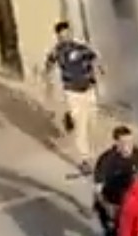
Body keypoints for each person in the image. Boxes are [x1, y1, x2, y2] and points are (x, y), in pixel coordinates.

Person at [44, 20, 104, 174]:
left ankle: (69, 118)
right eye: (62, 35)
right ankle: (84, 160)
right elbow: (49, 66)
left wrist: (99, 68)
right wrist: (48, 82)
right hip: (72, 92)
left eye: (67, 34)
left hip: (88, 89)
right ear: (58, 37)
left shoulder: (80, 47)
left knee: (93, 120)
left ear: (70, 33)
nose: (65, 37)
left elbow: (93, 57)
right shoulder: (57, 51)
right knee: (80, 125)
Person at [90, 125, 138, 236]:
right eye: (124, 143)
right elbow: (98, 190)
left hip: (130, 203)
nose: (128, 146)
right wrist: (106, 208)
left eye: (130, 142)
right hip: (111, 204)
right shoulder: (106, 161)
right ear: (116, 144)